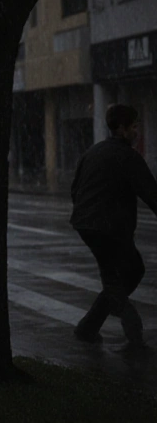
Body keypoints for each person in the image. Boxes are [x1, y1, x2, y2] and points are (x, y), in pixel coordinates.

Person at [69, 104, 157, 347]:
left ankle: (89, 327)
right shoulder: (128, 157)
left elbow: (75, 188)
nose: (137, 131)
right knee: (131, 271)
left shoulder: (93, 152)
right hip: (110, 227)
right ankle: (132, 328)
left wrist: (86, 215)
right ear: (122, 128)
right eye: (134, 127)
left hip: (88, 224)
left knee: (113, 275)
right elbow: (151, 193)